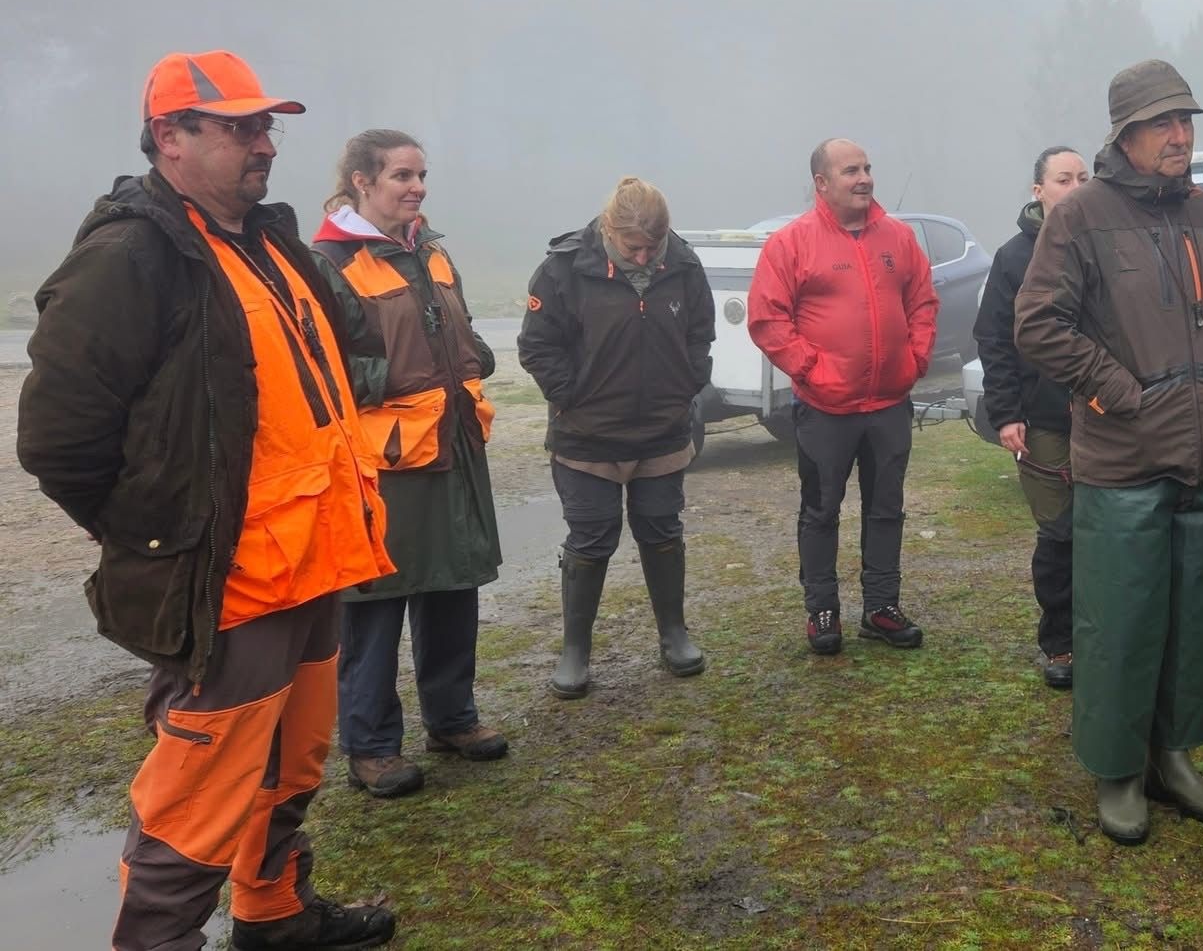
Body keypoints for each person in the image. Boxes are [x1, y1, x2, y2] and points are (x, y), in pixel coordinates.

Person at [17, 51, 399, 950]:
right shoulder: (131, 252)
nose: (264, 142)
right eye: (238, 127)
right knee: (201, 793)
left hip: (316, 558)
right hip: (232, 580)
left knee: (293, 760)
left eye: (266, 126)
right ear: (170, 138)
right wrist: (167, 539)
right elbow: (59, 440)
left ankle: (272, 911)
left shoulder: (266, 238)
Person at [1015, 59, 1203, 845]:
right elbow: (1038, 324)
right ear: (1126, 133)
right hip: (1124, 459)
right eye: (1163, 123)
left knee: (1194, 619)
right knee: (1120, 622)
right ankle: (1117, 768)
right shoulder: (1081, 216)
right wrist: (1119, 391)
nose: (1180, 135)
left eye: (1186, 121)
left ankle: (1172, 756)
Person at [312, 130, 506, 799]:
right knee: (373, 604)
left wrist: (472, 354)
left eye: (421, 174)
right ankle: (370, 746)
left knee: (454, 585)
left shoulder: (430, 248)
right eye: (401, 175)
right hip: (384, 461)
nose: (416, 186)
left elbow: (458, 324)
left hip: (451, 446)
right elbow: (324, 365)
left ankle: (453, 719)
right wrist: (400, 372)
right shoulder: (329, 261)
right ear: (362, 181)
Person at [518, 177, 716, 698]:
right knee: (591, 535)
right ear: (608, 230)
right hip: (587, 437)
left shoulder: (686, 265)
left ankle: (674, 634)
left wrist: (686, 386)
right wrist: (572, 395)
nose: (646, 256)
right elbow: (537, 347)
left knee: (661, 527)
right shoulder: (562, 269)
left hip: (662, 432)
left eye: (655, 245)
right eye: (634, 247)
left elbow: (701, 334)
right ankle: (575, 650)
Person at [747, 139, 938, 654]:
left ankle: (881, 608)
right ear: (821, 183)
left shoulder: (897, 238)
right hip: (824, 410)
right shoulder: (792, 243)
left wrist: (914, 360)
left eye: (868, 168)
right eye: (851, 170)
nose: (864, 178)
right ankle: (822, 610)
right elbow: (767, 320)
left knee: (886, 508)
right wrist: (814, 371)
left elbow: (922, 301)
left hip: (887, 405)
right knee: (820, 511)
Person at [974, 145, 1088, 688]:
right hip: (1042, 423)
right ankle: (1061, 643)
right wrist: (1006, 414)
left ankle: (1108, 635)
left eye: (1084, 177)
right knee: (1061, 533)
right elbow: (993, 339)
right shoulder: (1014, 258)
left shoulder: (1106, 247)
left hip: (1108, 418)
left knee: (1112, 531)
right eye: (1064, 178)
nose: (1076, 186)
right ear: (1038, 191)